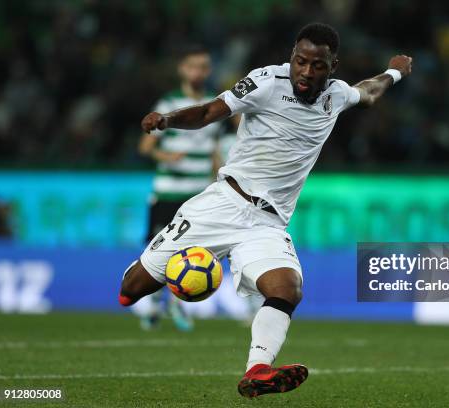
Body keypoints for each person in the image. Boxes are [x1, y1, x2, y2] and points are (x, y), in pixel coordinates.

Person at [119, 22, 413, 398]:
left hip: (267, 222)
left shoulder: (336, 96)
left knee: (287, 288)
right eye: (300, 61)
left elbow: (369, 92)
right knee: (132, 290)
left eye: (317, 65)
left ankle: (257, 370)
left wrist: (394, 72)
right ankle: (144, 270)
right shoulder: (264, 82)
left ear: (332, 66)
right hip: (224, 203)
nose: (306, 72)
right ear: (292, 56)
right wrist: (168, 120)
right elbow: (211, 111)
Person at [135, 45, 225, 331]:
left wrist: (218, 178)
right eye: (192, 66)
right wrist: (166, 156)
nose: (198, 71)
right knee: (157, 250)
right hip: (167, 190)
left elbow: (213, 149)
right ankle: (151, 307)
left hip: (197, 194)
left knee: (193, 254)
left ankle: (179, 305)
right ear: (182, 70)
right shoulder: (168, 103)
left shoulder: (213, 105)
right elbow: (145, 146)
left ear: (208, 71)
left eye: (203, 66)